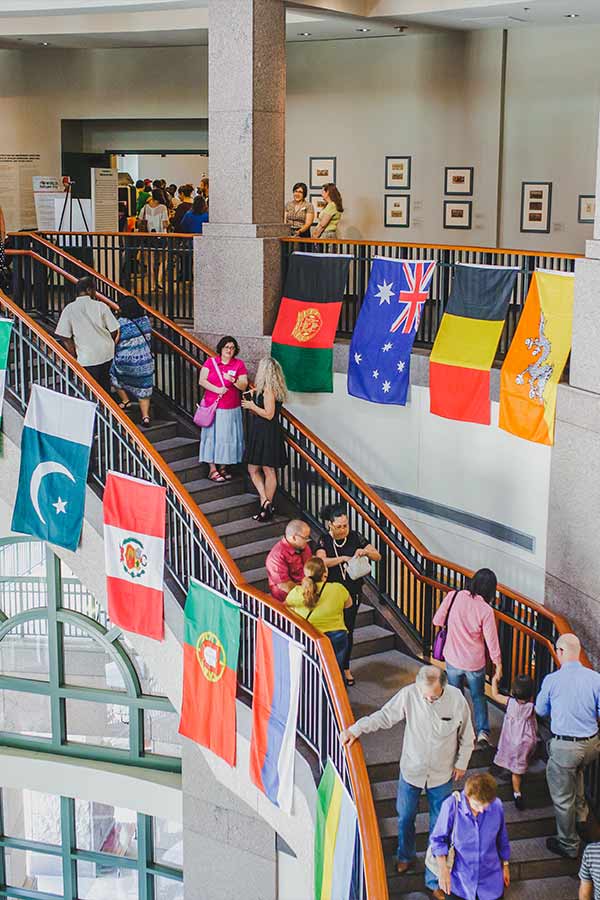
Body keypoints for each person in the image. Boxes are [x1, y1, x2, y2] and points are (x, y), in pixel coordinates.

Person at [341, 665, 474, 897]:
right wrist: (356, 729)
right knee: (404, 817)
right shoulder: (410, 693)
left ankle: (433, 879)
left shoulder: (456, 699)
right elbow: (385, 716)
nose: (426, 698)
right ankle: (406, 856)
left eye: (431, 696)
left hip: (441, 775)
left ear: (442, 687)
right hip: (412, 770)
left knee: (439, 827)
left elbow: (467, 735)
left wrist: (462, 762)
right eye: (423, 694)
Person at [535, 633, 600, 859]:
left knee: (562, 798)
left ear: (560, 652)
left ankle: (568, 844)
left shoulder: (552, 680)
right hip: (592, 745)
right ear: (579, 651)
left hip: (565, 748)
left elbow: (540, 710)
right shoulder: (595, 678)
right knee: (578, 774)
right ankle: (582, 817)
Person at [432, 568, 502, 748]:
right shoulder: (486, 610)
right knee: (478, 696)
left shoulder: (454, 596)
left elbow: (437, 621)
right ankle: (482, 732)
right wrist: (498, 664)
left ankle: (459, 730)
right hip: (474, 663)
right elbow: (491, 641)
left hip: (453, 659)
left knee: (456, 695)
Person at [316, 503, 381, 687]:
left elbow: (377, 556)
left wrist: (366, 551)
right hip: (331, 593)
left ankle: (345, 667)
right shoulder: (324, 540)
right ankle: (330, 666)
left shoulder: (355, 537)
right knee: (333, 630)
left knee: (348, 630)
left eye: (346, 525)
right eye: (339, 526)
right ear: (330, 525)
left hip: (353, 591)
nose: (343, 529)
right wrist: (342, 559)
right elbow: (321, 561)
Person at [429, 772, 510, 900]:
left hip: (490, 881)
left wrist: (505, 865)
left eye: (486, 805)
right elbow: (437, 840)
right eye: (478, 805)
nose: (482, 810)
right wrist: (443, 870)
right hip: (460, 883)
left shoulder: (496, 806)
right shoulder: (451, 806)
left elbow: (502, 838)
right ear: (467, 796)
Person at [242, 357, 288, 522]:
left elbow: (268, 414)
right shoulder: (270, 389)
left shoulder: (269, 389)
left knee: (264, 470)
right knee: (258, 469)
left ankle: (265, 506)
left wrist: (253, 406)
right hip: (265, 430)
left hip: (265, 431)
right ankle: (266, 502)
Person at [55, 276, 119, 393]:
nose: (95, 292)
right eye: (94, 289)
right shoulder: (101, 306)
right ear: (89, 290)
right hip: (107, 353)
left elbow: (63, 335)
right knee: (105, 387)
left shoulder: (69, 309)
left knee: (90, 391)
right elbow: (114, 329)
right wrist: (109, 340)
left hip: (87, 357)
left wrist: (72, 351)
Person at [285, 557, 351, 671]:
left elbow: (285, 607)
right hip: (336, 634)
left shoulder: (298, 592)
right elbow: (349, 604)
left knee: (311, 672)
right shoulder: (337, 588)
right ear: (324, 574)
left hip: (310, 635)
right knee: (335, 672)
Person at [198, 336, 248, 482]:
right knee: (212, 437)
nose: (229, 350)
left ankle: (223, 467)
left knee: (227, 437)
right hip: (212, 406)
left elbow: (243, 385)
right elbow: (202, 381)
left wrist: (233, 380)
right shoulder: (211, 362)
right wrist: (217, 389)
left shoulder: (238, 364)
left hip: (231, 407)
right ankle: (212, 469)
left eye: (232, 348)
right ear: (221, 348)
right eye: (227, 347)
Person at [490, 673, 537, 810]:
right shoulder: (531, 707)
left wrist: (494, 680)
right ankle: (518, 793)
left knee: (509, 758)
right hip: (525, 741)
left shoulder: (509, 702)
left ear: (512, 691)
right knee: (518, 769)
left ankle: (516, 792)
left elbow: (495, 694)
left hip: (510, 740)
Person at [110, 294, 154, 427]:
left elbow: (115, 341)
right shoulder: (146, 320)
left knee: (113, 375)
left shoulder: (120, 323)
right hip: (146, 361)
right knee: (144, 388)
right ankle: (145, 416)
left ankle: (125, 400)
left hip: (125, 361)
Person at [265, 519, 312, 603]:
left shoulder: (304, 547)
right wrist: (306, 593)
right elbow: (284, 585)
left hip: (307, 591)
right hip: (288, 600)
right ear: (294, 537)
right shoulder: (276, 556)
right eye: (305, 538)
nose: (307, 541)